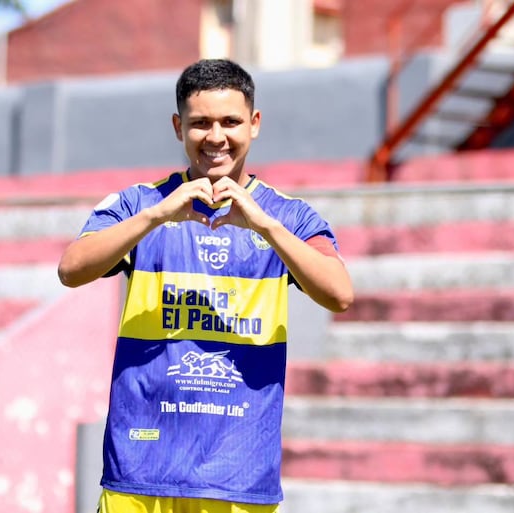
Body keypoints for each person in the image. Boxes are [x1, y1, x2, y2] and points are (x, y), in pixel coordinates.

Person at [58, 58, 353, 513]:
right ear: (179, 128)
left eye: (230, 121)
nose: (216, 137)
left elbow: (340, 294)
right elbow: (71, 269)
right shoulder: (141, 204)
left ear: (254, 124)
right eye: (200, 123)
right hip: (140, 469)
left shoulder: (288, 216)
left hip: (237, 476)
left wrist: (264, 226)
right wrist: (157, 216)